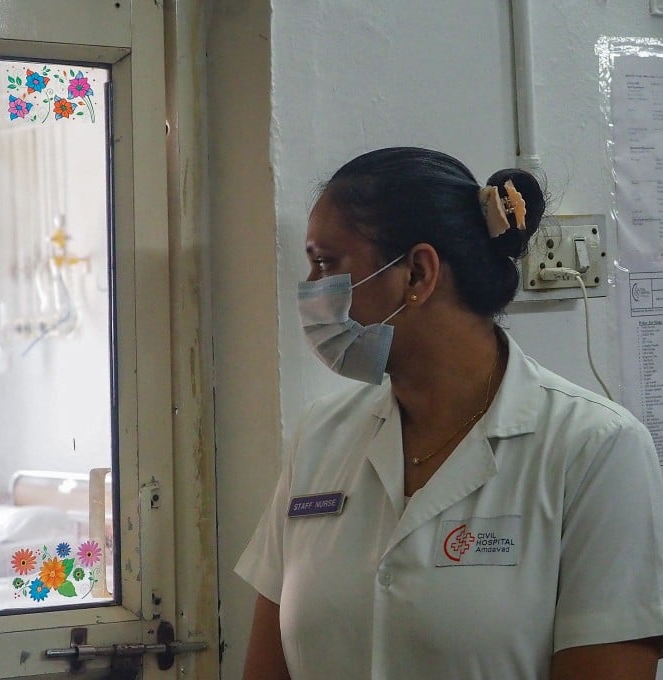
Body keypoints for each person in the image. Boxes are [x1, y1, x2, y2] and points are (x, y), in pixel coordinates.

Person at [236, 147, 663, 679]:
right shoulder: (321, 437)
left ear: (417, 273)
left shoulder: (596, 450)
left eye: (326, 263)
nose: (312, 290)